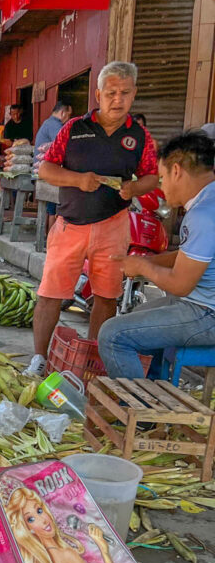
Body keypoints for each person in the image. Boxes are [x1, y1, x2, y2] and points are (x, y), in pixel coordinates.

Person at [23, 61, 159, 377]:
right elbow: (45, 169)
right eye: (111, 92)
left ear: (134, 93)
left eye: (125, 92)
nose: (118, 99)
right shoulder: (73, 129)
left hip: (114, 225)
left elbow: (153, 176)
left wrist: (134, 187)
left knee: (106, 297)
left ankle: (93, 360)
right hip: (70, 225)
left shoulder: (139, 136)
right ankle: (39, 359)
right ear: (98, 94)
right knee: (50, 295)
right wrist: (77, 179)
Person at [98, 131, 215, 379]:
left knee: (112, 334)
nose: (161, 187)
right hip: (201, 305)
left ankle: (137, 413)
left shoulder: (204, 214)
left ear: (176, 171)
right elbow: (188, 256)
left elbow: (181, 285)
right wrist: (147, 262)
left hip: (207, 314)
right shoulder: (209, 200)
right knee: (138, 319)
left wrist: (143, 267)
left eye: (161, 178)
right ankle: (153, 392)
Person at [35, 101, 73, 228]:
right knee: (54, 207)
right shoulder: (54, 125)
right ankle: (50, 237)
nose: (68, 119)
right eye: (68, 115)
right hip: (45, 173)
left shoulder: (48, 123)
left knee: (51, 207)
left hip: (42, 171)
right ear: (62, 113)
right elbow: (65, 145)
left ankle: (47, 235)